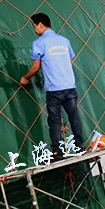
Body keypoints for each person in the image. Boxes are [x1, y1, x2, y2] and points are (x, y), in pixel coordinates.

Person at [20, 13, 84, 159]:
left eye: (34, 26)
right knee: (74, 117)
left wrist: (25, 78)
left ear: (40, 25)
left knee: (54, 121)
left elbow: (35, 68)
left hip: (54, 89)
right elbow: (70, 60)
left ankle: (57, 152)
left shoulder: (39, 43)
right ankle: (79, 147)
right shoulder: (64, 40)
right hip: (69, 86)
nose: (34, 29)